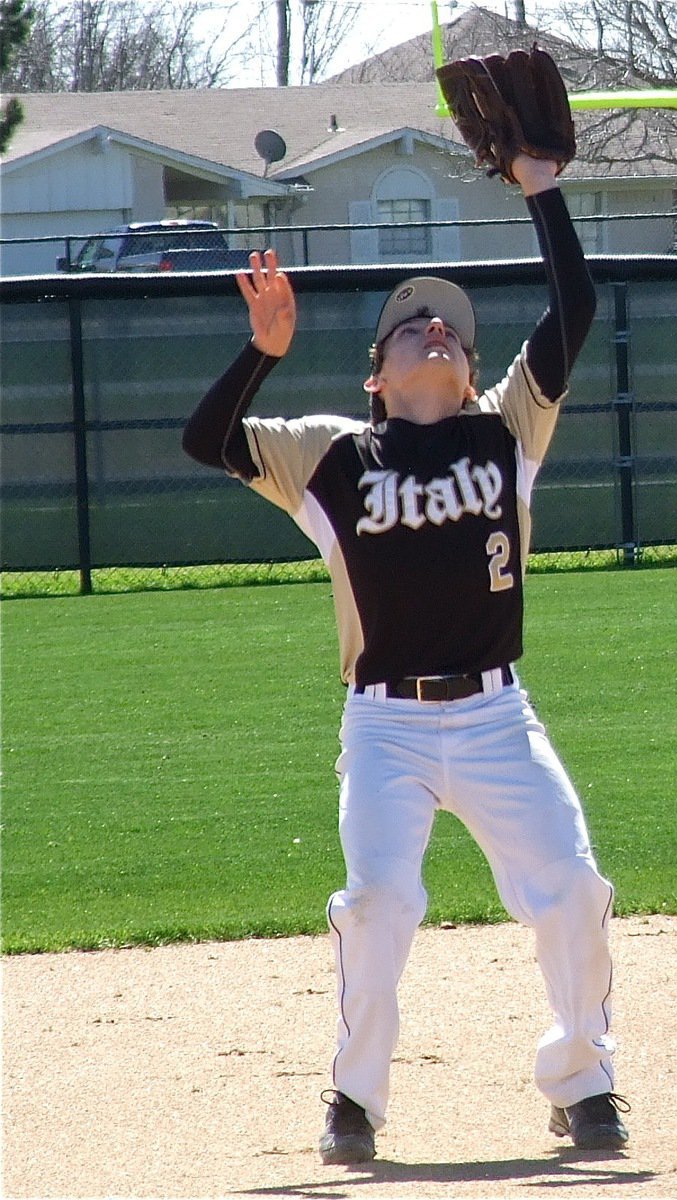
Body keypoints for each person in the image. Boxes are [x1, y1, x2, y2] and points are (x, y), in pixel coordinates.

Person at [182, 150, 629, 1165]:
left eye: (454, 331)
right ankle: (354, 1100)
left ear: (473, 372)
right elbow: (206, 439)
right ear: (376, 375)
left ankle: (582, 1079)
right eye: (410, 323)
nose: (436, 328)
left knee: (573, 885)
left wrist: (541, 188)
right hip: (383, 725)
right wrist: (261, 352)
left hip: (495, 719)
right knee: (379, 899)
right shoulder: (330, 455)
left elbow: (576, 310)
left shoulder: (509, 431)